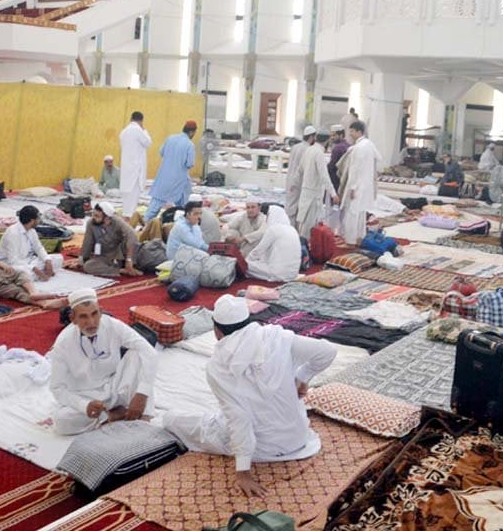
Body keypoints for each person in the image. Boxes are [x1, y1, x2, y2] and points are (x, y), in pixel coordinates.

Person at [163, 295, 337, 497]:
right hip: (298, 438)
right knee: (224, 415)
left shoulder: (218, 366)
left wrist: (243, 472)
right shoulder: (277, 339)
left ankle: (162, 421)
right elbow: (328, 351)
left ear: (216, 330)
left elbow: (239, 419)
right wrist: (303, 377)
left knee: (174, 420)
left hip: (264, 449)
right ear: (248, 321)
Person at [49, 288, 158, 435]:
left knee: (137, 354)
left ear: (100, 311)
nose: (91, 322)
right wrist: (84, 405)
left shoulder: (113, 325)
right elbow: (57, 388)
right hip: (88, 397)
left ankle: (142, 417)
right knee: (62, 421)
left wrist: (142, 394)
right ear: (73, 318)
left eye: (95, 314)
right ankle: (113, 415)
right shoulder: (63, 343)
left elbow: (149, 352)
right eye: (83, 317)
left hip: (116, 388)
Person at [338, 120, 381, 245]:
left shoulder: (358, 147)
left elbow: (355, 169)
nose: (350, 134)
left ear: (359, 132)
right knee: (361, 213)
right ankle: (360, 237)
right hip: (366, 184)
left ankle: (351, 240)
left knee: (352, 213)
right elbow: (379, 158)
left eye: (352, 131)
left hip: (357, 185)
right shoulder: (369, 144)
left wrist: (352, 188)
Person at [144, 121, 197, 221]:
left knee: (155, 205)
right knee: (184, 206)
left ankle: (144, 225)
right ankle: (183, 223)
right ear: (192, 132)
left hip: (163, 177)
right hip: (179, 179)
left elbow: (161, 152)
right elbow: (190, 163)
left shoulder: (170, 138)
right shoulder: (189, 145)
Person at [0, 205, 63, 281]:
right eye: (38, 219)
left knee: (57, 259)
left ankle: (40, 273)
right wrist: (34, 269)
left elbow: (38, 248)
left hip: (28, 260)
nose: (39, 221)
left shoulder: (32, 231)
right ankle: (37, 274)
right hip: (10, 264)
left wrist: (47, 261)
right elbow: (13, 260)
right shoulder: (12, 233)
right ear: (32, 220)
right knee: (24, 273)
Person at [80, 202, 141, 277]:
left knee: (136, 250)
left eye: (97, 216)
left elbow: (132, 235)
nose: (93, 217)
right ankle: (121, 270)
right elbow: (87, 243)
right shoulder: (91, 223)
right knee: (88, 266)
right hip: (105, 255)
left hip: (121, 253)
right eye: (93, 214)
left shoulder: (117, 221)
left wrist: (129, 259)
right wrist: (81, 261)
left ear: (107, 218)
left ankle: (128, 265)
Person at [297, 130, 337, 241]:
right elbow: (324, 176)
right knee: (309, 228)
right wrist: (333, 194)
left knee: (305, 224)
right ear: (327, 141)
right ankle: (305, 251)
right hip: (314, 194)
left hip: (306, 191)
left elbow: (300, 169)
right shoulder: (319, 153)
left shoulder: (309, 150)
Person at [246, 206, 301, 282]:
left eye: (268, 215)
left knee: (246, 265)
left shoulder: (273, 230)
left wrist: (246, 260)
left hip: (278, 273)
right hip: (293, 273)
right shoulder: (292, 229)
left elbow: (259, 250)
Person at [119, 112, 152, 218]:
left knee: (126, 197)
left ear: (131, 118)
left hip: (126, 168)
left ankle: (126, 214)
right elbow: (148, 143)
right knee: (133, 196)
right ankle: (129, 217)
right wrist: (144, 130)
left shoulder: (123, 132)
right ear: (141, 120)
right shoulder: (138, 130)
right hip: (136, 169)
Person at [285, 125, 317, 227]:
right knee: (297, 207)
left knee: (290, 204)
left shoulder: (295, 147)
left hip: (290, 179)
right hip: (299, 181)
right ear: (312, 137)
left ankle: (289, 227)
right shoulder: (308, 149)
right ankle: (293, 230)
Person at [326, 125, 350, 193]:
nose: (332, 138)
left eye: (334, 135)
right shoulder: (349, 146)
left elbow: (331, 167)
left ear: (341, 135)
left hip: (336, 182)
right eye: (331, 135)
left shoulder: (338, 148)